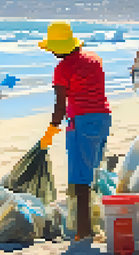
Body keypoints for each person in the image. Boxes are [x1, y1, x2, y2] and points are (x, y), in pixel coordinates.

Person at [37, 21, 112, 242]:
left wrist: (51, 130)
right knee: (93, 171)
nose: (51, 53)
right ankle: (92, 221)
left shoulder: (62, 69)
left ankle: (84, 231)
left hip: (81, 122)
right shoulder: (95, 60)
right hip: (103, 118)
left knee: (80, 179)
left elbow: (60, 106)